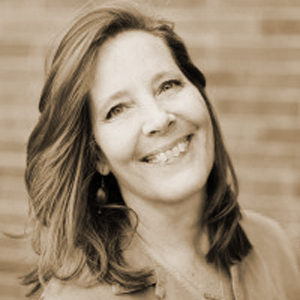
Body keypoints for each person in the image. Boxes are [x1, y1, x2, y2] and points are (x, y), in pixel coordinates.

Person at [23, 3, 300, 300]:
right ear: (98, 156)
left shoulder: (272, 244)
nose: (158, 119)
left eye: (168, 85)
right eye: (117, 109)